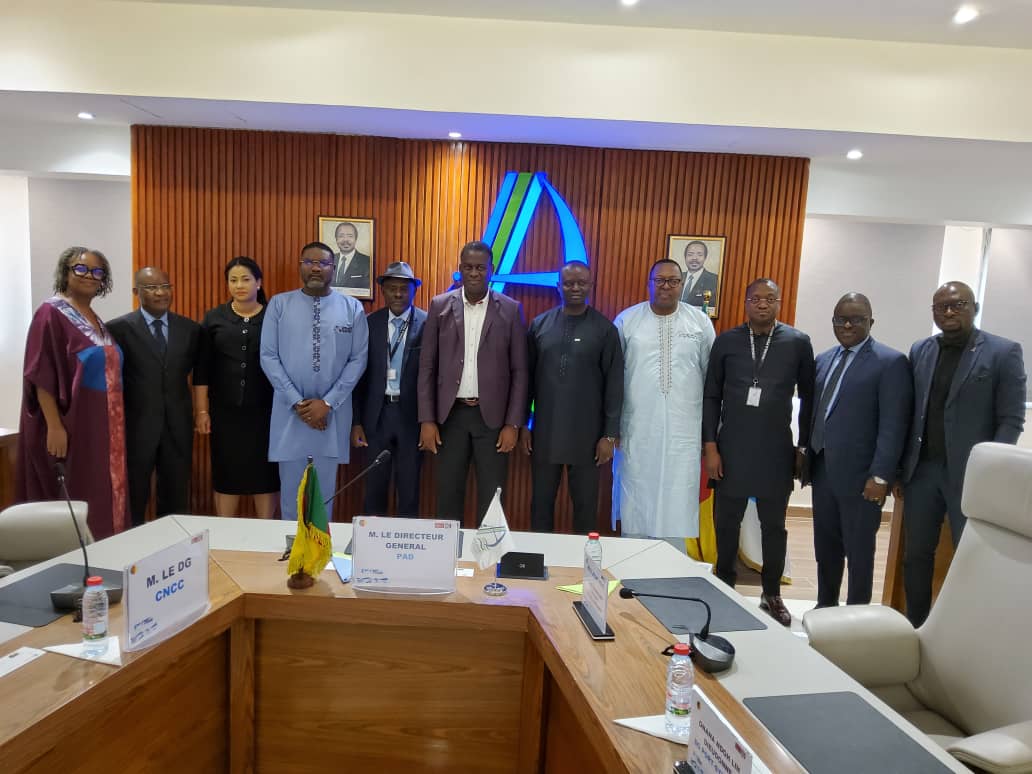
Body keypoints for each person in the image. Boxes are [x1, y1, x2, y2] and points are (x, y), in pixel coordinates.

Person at [900, 281, 1026, 627]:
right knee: (915, 556)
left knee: (969, 557)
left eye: (958, 304)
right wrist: (899, 469)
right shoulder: (921, 350)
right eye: (941, 306)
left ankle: (966, 629)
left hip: (971, 477)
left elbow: (1011, 419)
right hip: (922, 473)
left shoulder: (1003, 352)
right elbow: (911, 412)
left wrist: (991, 472)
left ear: (975, 307)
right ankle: (916, 625)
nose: (949, 311)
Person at [703, 278, 815, 627]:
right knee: (726, 523)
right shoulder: (727, 342)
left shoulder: (797, 342)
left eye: (770, 299)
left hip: (776, 450)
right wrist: (710, 447)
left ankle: (772, 594)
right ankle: (724, 584)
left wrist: (803, 447)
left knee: (774, 527)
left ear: (779, 303)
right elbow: (711, 396)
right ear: (746, 302)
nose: (762, 304)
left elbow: (810, 398)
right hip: (731, 449)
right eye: (756, 298)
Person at [15, 247, 129, 539]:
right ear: (65, 273)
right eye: (81, 268)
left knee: (104, 487)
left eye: (97, 271)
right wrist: (54, 426)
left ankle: (109, 549)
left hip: (106, 425)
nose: (89, 275)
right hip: (73, 422)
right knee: (81, 488)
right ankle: (81, 556)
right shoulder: (50, 313)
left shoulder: (95, 318)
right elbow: (40, 373)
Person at [806, 293, 911, 607]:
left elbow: (893, 425)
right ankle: (825, 606)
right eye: (841, 319)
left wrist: (881, 476)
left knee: (859, 552)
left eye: (856, 319)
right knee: (826, 547)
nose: (848, 325)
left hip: (863, 478)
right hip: (823, 469)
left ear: (871, 322)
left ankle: (856, 614)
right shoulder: (824, 359)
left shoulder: (890, 362)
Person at [417, 240, 528, 525]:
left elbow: (520, 371)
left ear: (491, 269)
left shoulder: (511, 310)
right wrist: (427, 420)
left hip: (493, 421)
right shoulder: (440, 306)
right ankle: (448, 553)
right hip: (449, 417)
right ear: (460, 269)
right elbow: (427, 367)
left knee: (492, 499)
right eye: (468, 267)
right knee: (447, 495)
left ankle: (487, 554)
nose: (474, 273)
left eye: (480, 267)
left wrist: (513, 424)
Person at [260, 242, 368, 521]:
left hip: (331, 416)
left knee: (323, 498)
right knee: (291, 499)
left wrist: (327, 404)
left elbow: (358, 360)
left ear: (334, 268)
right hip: (290, 414)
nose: (316, 268)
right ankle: (290, 547)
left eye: (324, 263)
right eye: (309, 262)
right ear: (300, 266)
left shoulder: (352, 308)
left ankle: (320, 548)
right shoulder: (279, 305)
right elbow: (268, 356)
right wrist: (299, 403)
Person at [612, 259, 714, 546]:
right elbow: (613, 377)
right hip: (636, 428)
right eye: (660, 280)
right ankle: (632, 558)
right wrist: (613, 427)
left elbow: (712, 378)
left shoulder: (699, 323)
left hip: (684, 430)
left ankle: (673, 563)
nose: (666, 286)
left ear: (681, 285)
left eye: (673, 281)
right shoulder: (627, 321)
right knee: (636, 491)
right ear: (649, 283)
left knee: (678, 494)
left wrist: (709, 434)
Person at [522, 262, 623, 534]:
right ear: (558, 286)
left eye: (581, 283)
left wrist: (609, 435)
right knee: (541, 504)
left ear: (591, 286)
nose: (575, 288)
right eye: (568, 283)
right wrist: (524, 424)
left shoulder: (605, 330)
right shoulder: (539, 325)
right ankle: (541, 555)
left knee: (586, 508)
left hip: (588, 437)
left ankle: (584, 560)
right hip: (546, 432)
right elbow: (527, 381)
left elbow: (615, 386)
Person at [108, 267, 200, 526]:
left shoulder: (190, 329)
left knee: (176, 495)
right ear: (136, 292)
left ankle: (174, 541)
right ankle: (131, 542)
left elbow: (198, 375)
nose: (160, 292)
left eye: (165, 286)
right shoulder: (117, 329)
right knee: (134, 494)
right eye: (151, 287)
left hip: (178, 423)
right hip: (136, 424)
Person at [193, 257, 280, 518]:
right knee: (226, 474)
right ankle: (224, 532)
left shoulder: (274, 316)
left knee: (266, 476)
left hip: (267, 413)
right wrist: (202, 411)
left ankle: (266, 534)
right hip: (225, 414)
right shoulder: (214, 318)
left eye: (246, 279)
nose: (239, 285)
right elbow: (202, 369)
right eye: (233, 280)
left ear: (258, 283)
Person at [351, 261, 427, 516]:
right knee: (374, 486)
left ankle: (407, 538)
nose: (398, 294)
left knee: (409, 488)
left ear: (414, 291)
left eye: (404, 289)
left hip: (411, 418)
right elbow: (358, 377)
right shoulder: (369, 323)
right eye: (392, 288)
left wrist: (430, 421)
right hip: (377, 416)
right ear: (383, 290)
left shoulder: (428, 323)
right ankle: (373, 537)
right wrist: (357, 422)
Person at [679, 240, 720, 309]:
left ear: (705, 257)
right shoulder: (677, 277)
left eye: (699, 255)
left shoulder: (715, 280)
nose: (694, 258)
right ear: (685, 257)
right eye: (690, 254)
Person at [331, 222, 371, 290]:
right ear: (336, 239)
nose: (345, 240)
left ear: (356, 239)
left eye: (350, 236)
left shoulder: (367, 262)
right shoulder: (330, 259)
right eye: (341, 236)